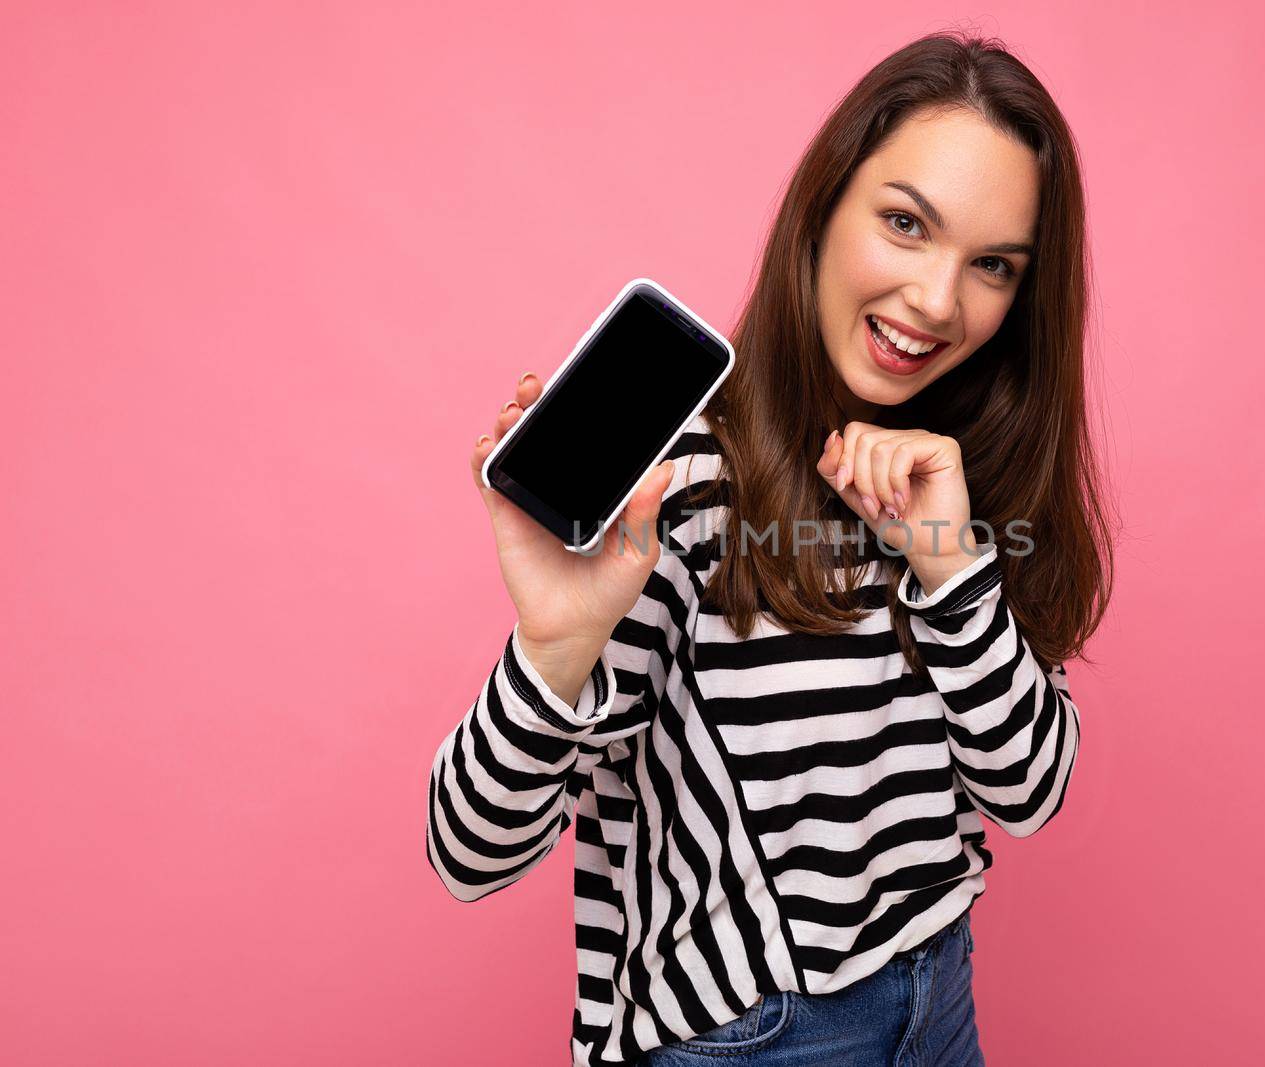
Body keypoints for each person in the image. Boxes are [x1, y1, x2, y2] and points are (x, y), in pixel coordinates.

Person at [427, 30, 1115, 1067]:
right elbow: (468, 853)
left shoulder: (965, 480)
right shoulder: (682, 483)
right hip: (754, 1035)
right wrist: (556, 645)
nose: (936, 300)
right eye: (903, 223)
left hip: (940, 1002)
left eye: (992, 265)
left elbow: (1030, 787)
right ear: (823, 204)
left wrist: (948, 564)